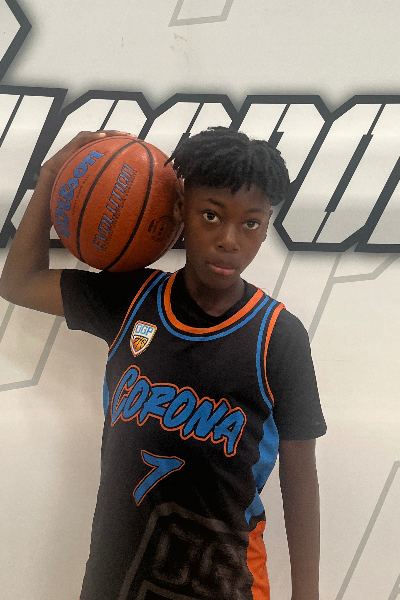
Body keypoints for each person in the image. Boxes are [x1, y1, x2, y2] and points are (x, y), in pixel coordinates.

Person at [0, 126, 326, 600]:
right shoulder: (130, 299)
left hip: (224, 582)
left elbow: (300, 480)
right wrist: (51, 177)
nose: (229, 240)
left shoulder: (278, 336)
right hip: (117, 578)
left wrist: (307, 595)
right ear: (180, 211)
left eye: (251, 224)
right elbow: (19, 282)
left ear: (266, 226)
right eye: (211, 215)